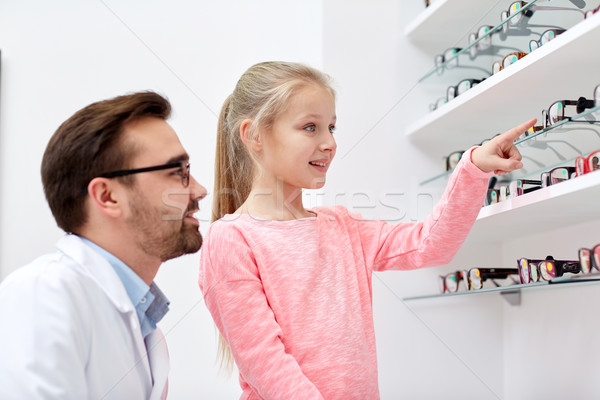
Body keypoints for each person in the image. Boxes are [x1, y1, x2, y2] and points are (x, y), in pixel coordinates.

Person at [198, 61, 535, 400]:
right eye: (310, 127)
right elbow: (266, 364)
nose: (329, 142)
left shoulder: (342, 227)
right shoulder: (231, 238)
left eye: (331, 127)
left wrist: (473, 168)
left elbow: (430, 245)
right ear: (254, 135)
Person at [0, 91, 207, 399]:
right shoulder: (43, 295)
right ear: (108, 197)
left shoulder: (148, 329)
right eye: (179, 172)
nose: (200, 190)